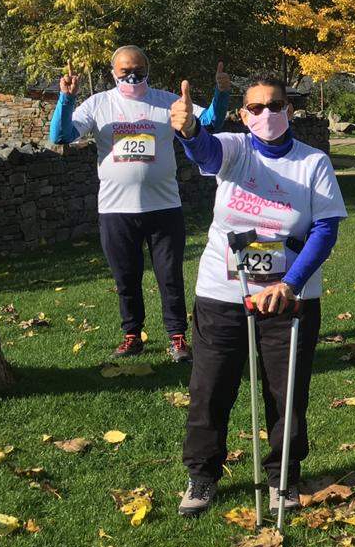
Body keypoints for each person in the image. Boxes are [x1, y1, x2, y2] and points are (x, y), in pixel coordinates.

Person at [172, 75, 347, 516]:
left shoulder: (314, 163)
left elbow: (325, 230)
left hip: (289, 294)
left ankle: (282, 478)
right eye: (256, 108)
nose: (266, 115)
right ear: (243, 114)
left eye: (276, 105)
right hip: (223, 290)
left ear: (289, 109)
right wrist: (190, 130)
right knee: (210, 387)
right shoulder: (234, 149)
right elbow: (206, 152)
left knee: (285, 392)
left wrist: (290, 284)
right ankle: (202, 476)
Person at [49, 46, 230, 361]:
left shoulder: (165, 101)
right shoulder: (99, 103)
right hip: (116, 211)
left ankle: (177, 338)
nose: (132, 76)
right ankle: (132, 335)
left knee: (169, 276)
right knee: (126, 278)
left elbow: (210, 122)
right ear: (112, 72)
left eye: (138, 70)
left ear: (148, 69)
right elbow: (60, 136)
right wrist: (66, 99)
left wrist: (221, 92)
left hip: (164, 208)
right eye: (124, 71)